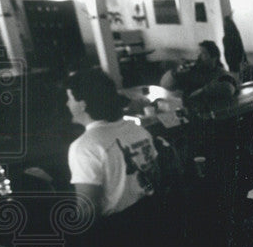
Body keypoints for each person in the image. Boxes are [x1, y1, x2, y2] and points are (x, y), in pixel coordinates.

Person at [66, 67, 158, 219]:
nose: (67, 104)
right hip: (153, 213)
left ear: (82, 104)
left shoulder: (84, 147)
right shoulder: (138, 130)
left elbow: (87, 209)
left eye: (69, 98)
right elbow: (155, 172)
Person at [160, 39, 237, 103]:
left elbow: (229, 88)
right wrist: (175, 73)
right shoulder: (192, 70)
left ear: (214, 57)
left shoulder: (220, 73)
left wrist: (203, 91)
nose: (199, 56)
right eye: (198, 53)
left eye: (203, 53)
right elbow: (164, 85)